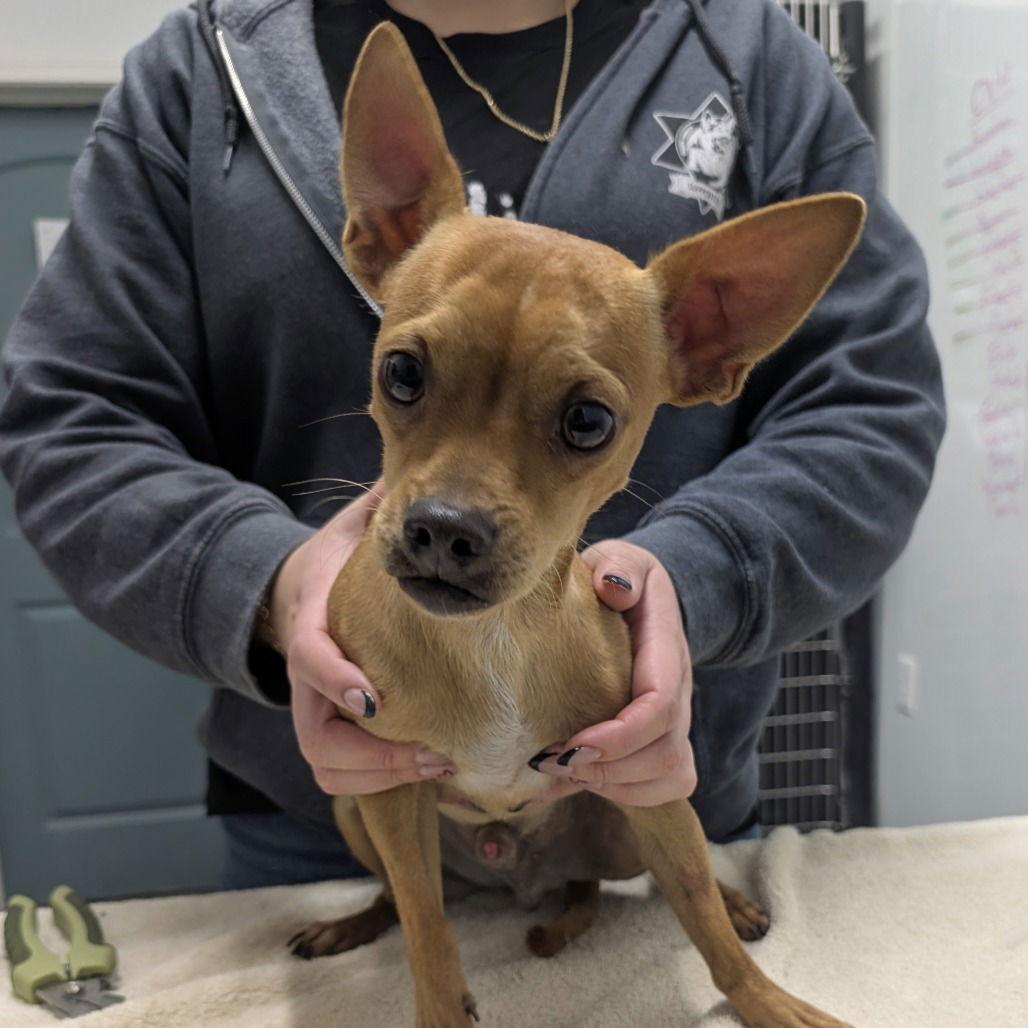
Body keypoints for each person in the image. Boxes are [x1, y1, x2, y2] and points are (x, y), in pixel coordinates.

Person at [0, 0, 945, 891]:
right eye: (407, 378)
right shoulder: (202, 71)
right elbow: (75, 418)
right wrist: (273, 584)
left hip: (638, 809)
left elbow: (872, 408)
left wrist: (690, 583)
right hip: (329, 823)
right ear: (375, 231)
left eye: (583, 422)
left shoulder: (753, 59)